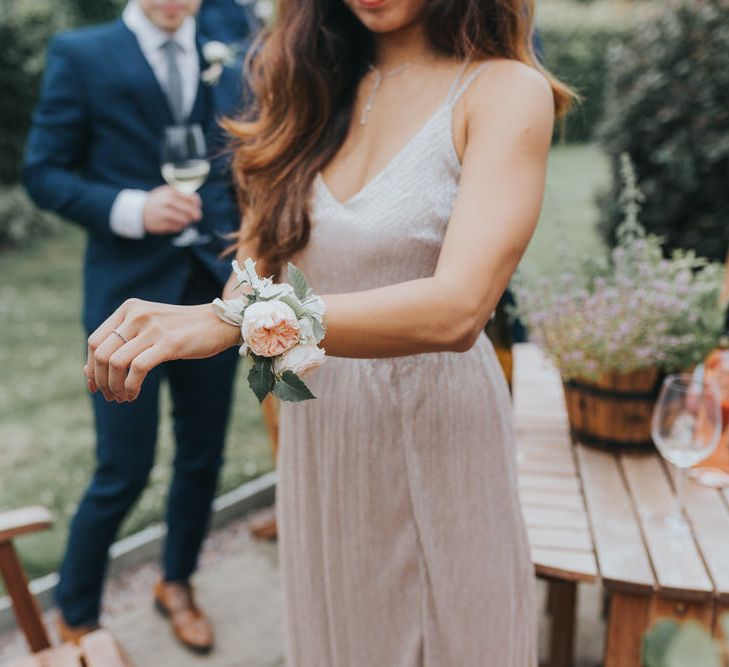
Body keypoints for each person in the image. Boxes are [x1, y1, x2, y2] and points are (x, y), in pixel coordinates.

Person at [85, 0, 574, 663]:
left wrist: (232, 321)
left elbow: (459, 309)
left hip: (436, 425)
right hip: (319, 425)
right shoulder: (307, 85)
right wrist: (230, 309)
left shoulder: (502, 90)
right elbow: (253, 273)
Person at [23, 0, 256, 653]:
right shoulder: (83, 55)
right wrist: (131, 206)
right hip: (125, 293)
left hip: (211, 289)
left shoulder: (227, 45)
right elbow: (42, 174)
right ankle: (78, 612)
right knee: (122, 465)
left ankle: (176, 581)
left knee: (202, 453)